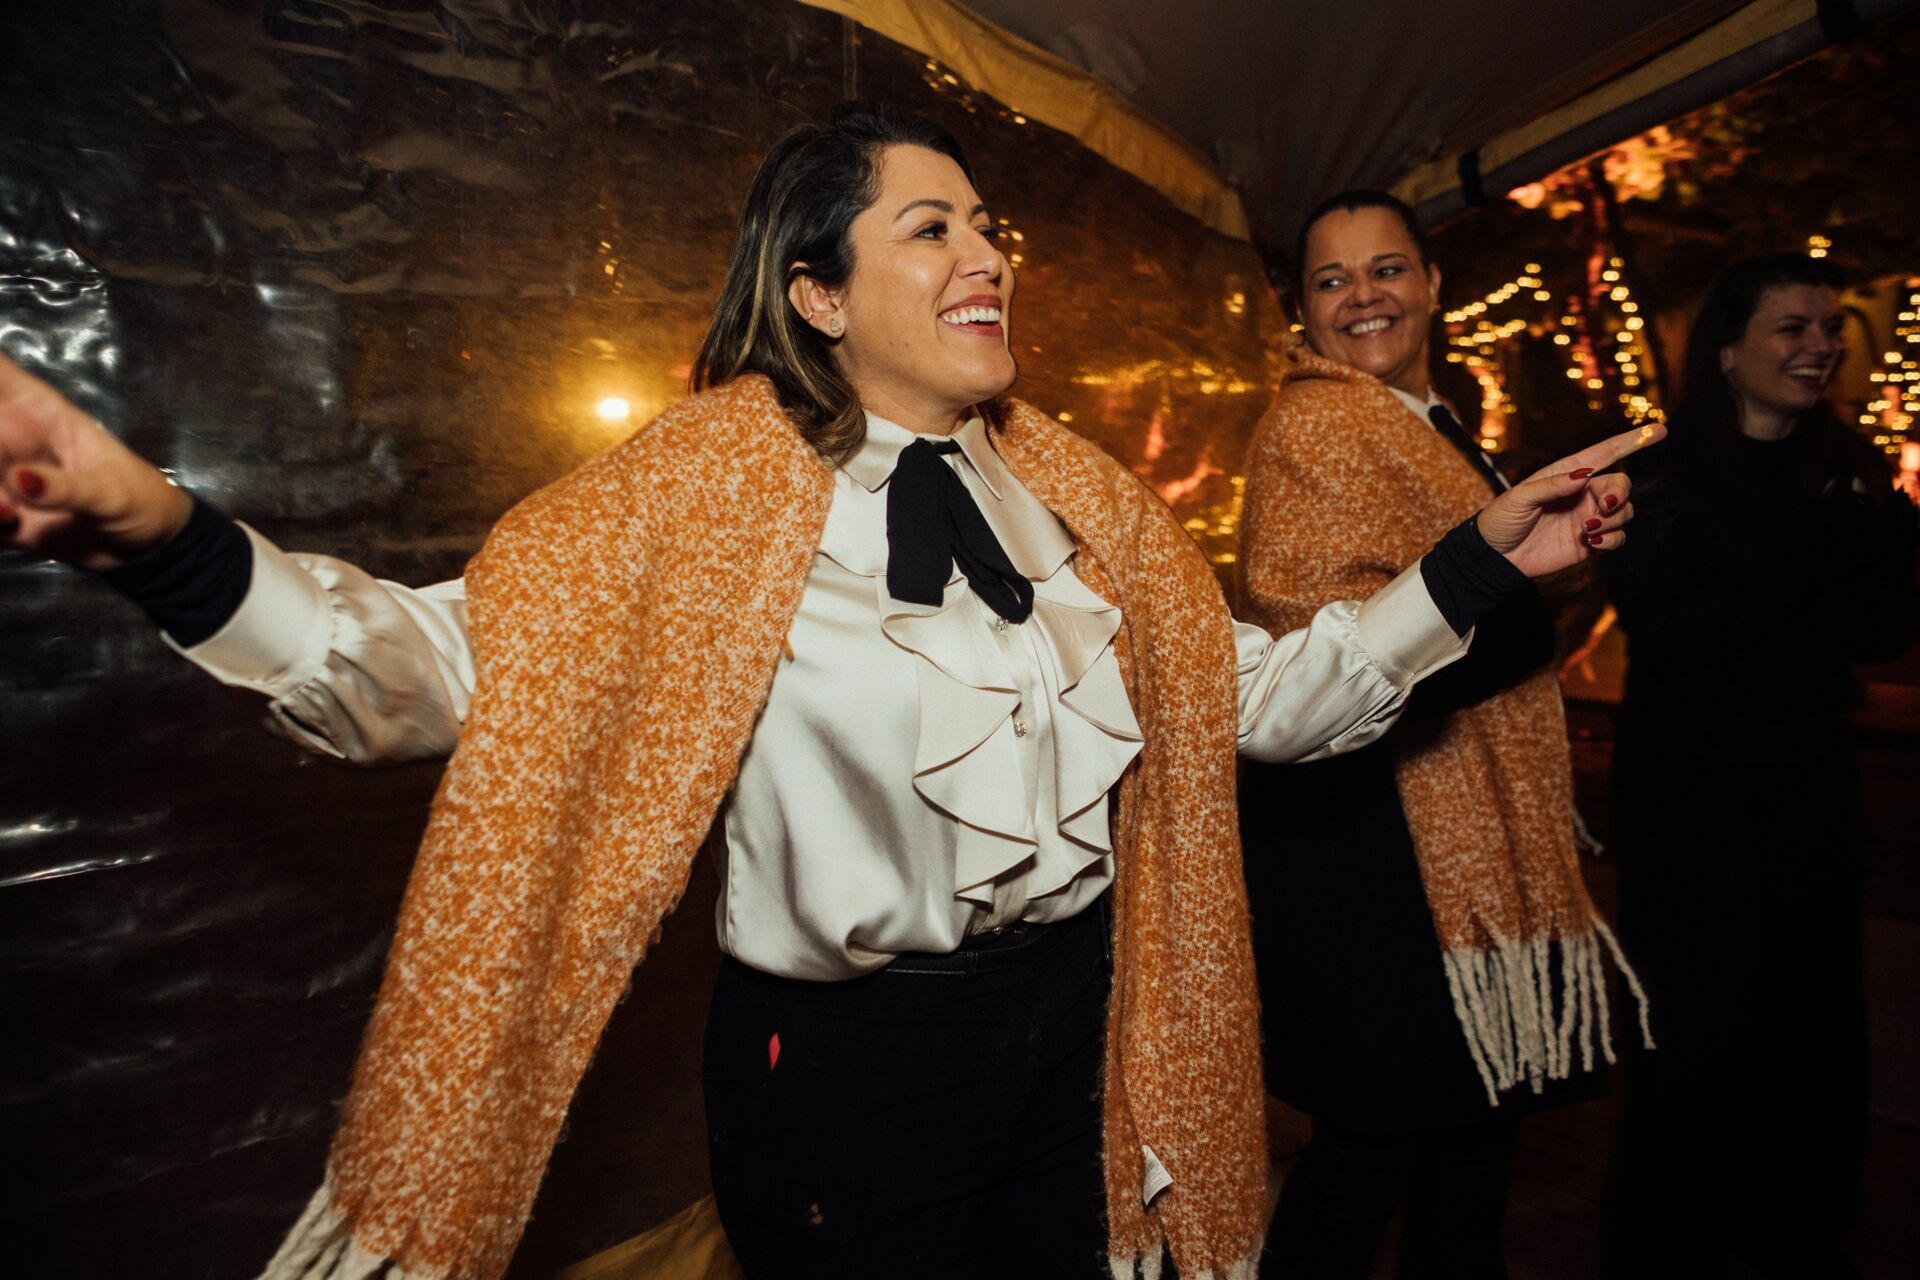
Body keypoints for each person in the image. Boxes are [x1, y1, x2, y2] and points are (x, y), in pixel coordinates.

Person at [0, 108, 1651, 1280]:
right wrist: (161, 536)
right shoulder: (704, 490)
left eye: (988, 224)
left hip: (1086, 1027)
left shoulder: (1078, 495)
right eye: (930, 226)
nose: (989, 250)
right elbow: (436, 672)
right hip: (850, 1070)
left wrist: (1484, 565)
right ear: (818, 292)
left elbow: (1268, 701)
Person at [1237, 189, 1654, 1278]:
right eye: (1333, 280)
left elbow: (1489, 610)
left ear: (1431, 284)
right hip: (1375, 853)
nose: (1364, 296)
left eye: (1386, 269)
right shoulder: (1316, 426)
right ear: (1302, 310)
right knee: (1375, 1151)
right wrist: (1522, 587)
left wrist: (1568, 553)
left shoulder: (1439, 422)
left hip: (1449, 850)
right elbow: (1323, 646)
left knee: (1471, 1147)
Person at [1600, 254, 1918, 1280]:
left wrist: (1860, 551)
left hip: (1803, 781)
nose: (1819, 344)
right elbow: (1669, 628)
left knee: (1811, 1013)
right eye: (1792, 327)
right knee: (1693, 1019)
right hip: (1687, 787)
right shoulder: (1662, 474)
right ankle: (1671, 1237)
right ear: (1730, 349)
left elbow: (1880, 627)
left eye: (1829, 328)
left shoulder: (1855, 472)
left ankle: (1797, 1228)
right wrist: (1798, 566)